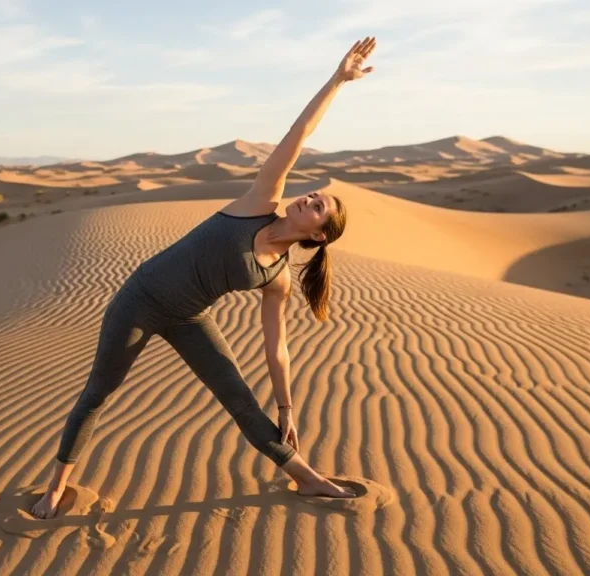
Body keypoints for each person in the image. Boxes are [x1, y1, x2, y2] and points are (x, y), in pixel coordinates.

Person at [31, 36, 377, 519]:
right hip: (141, 298)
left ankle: (309, 479)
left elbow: (276, 348)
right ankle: (55, 486)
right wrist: (338, 80)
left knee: (240, 400)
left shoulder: (276, 276)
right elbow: (297, 135)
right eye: (314, 194)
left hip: (190, 317)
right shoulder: (259, 203)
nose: (308, 199)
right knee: (99, 393)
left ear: (318, 236)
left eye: (317, 207)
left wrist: (287, 409)